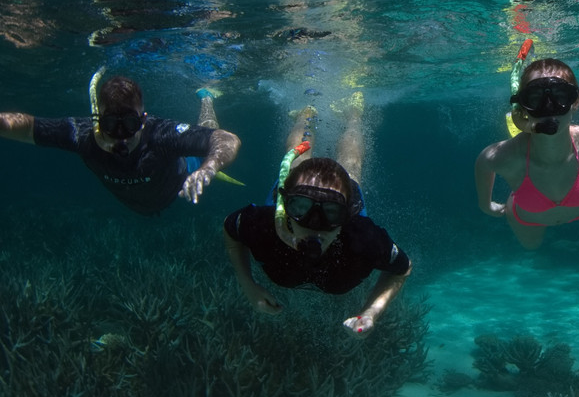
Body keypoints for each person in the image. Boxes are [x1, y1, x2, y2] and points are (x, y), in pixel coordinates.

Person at [223, 97, 412, 336]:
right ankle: (307, 113)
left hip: (340, 197)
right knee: (300, 159)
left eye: (331, 212)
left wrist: (370, 312)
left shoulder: (363, 238)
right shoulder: (263, 224)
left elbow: (402, 268)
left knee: (349, 168)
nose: (315, 225)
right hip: (297, 192)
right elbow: (230, 230)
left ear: (347, 214)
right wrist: (248, 286)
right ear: (286, 204)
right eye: (301, 207)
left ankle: (354, 116)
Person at [0, 73, 240, 215]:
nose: (121, 135)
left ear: (143, 121)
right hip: (140, 204)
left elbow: (226, 138)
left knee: (209, 131)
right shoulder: (81, 136)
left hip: (183, 173)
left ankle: (206, 97)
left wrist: (209, 167)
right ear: (98, 121)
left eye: (130, 124)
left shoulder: (159, 135)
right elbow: (29, 126)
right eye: (111, 125)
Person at [475, 57, 579, 249]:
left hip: (572, 213)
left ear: (575, 101)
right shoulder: (506, 156)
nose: (548, 109)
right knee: (531, 248)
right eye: (536, 98)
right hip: (527, 220)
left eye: (560, 96)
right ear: (522, 107)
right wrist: (485, 204)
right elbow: (484, 163)